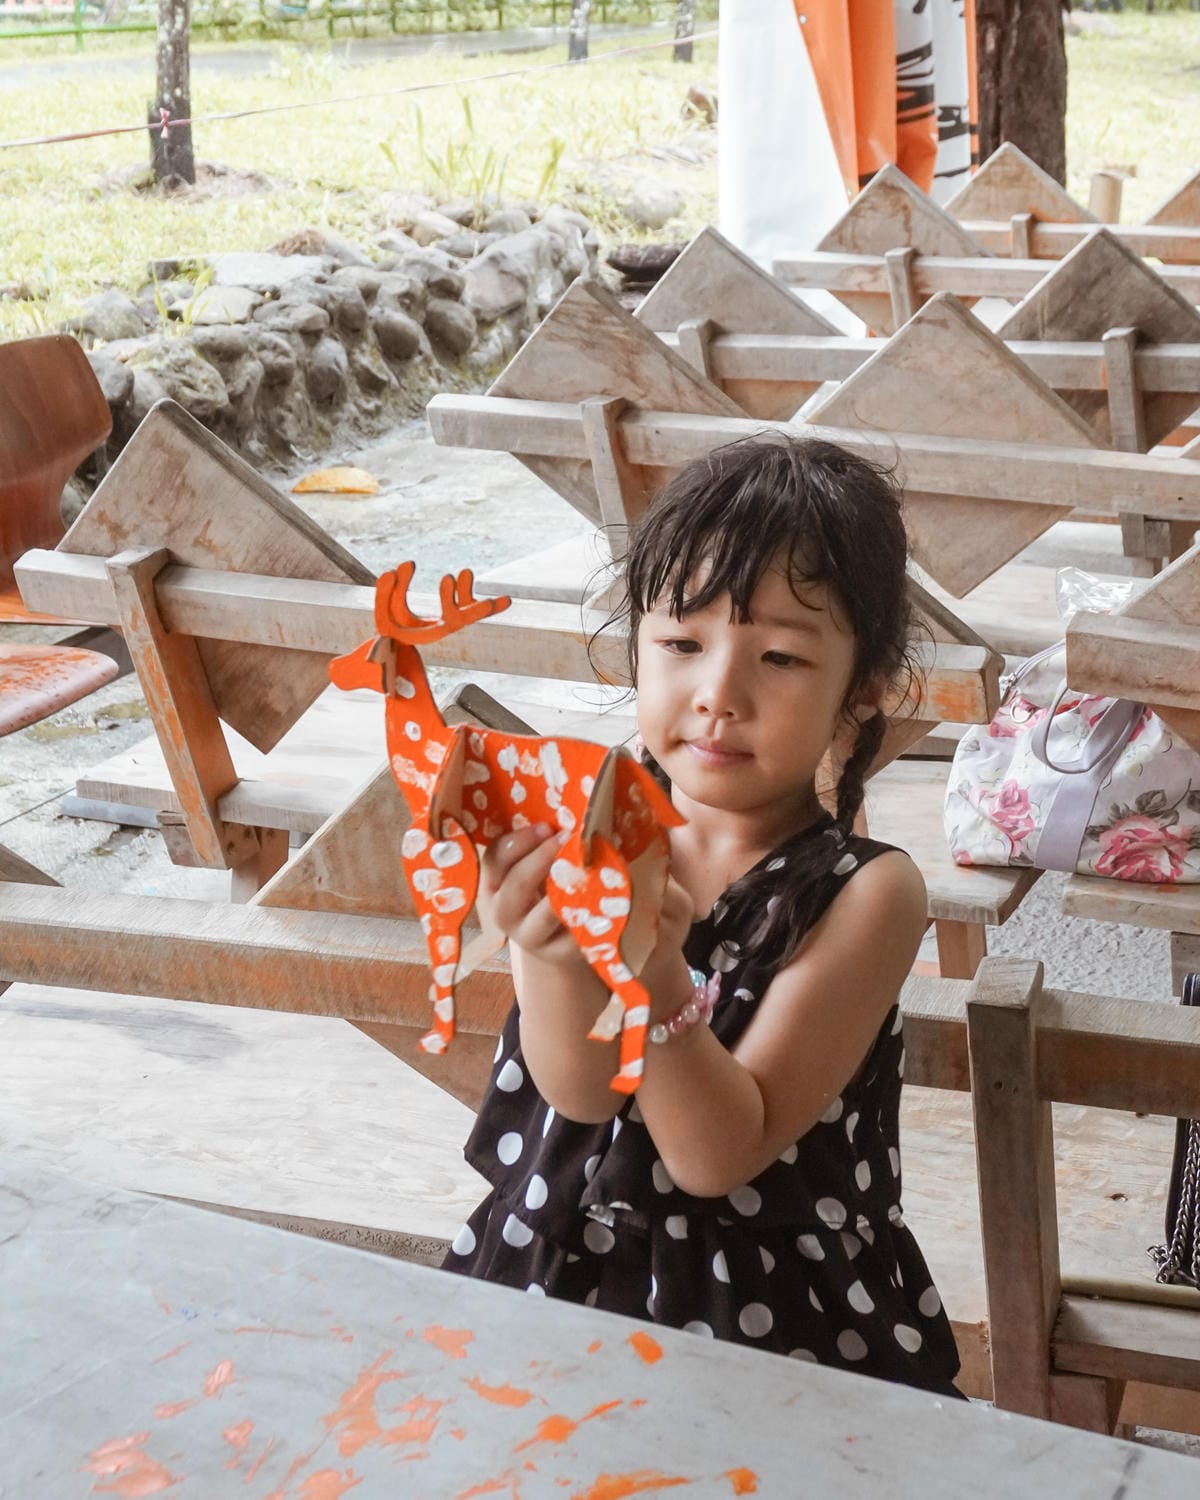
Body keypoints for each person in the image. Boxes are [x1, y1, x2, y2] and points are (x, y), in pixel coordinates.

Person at [442, 435, 962, 1397]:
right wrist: (549, 953)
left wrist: (651, 972)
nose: (719, 695)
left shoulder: (868, 893)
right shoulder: (590, 826)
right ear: (637, 647)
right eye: (682, 645)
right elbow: (580, 1093)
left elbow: (716, 1152)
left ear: (863, 689)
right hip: (563, 1275)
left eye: (780, 656)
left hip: (772, 1319)